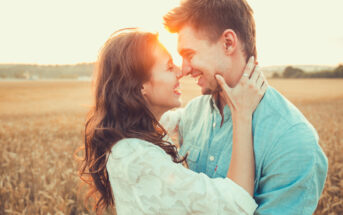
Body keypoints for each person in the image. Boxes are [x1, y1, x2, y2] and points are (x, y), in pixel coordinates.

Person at [163, 0, 328, 214]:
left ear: (229, 43)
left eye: (189, 54)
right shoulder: (192, 114)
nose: (183, 69)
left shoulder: (294, 140)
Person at [79, 28, 267, 214]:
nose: (180, 72)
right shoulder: (137, 158)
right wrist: (241, 114)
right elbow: (235, 205)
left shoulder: (135, 131)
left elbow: (179, 118)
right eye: (169, 67)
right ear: (140, 86)